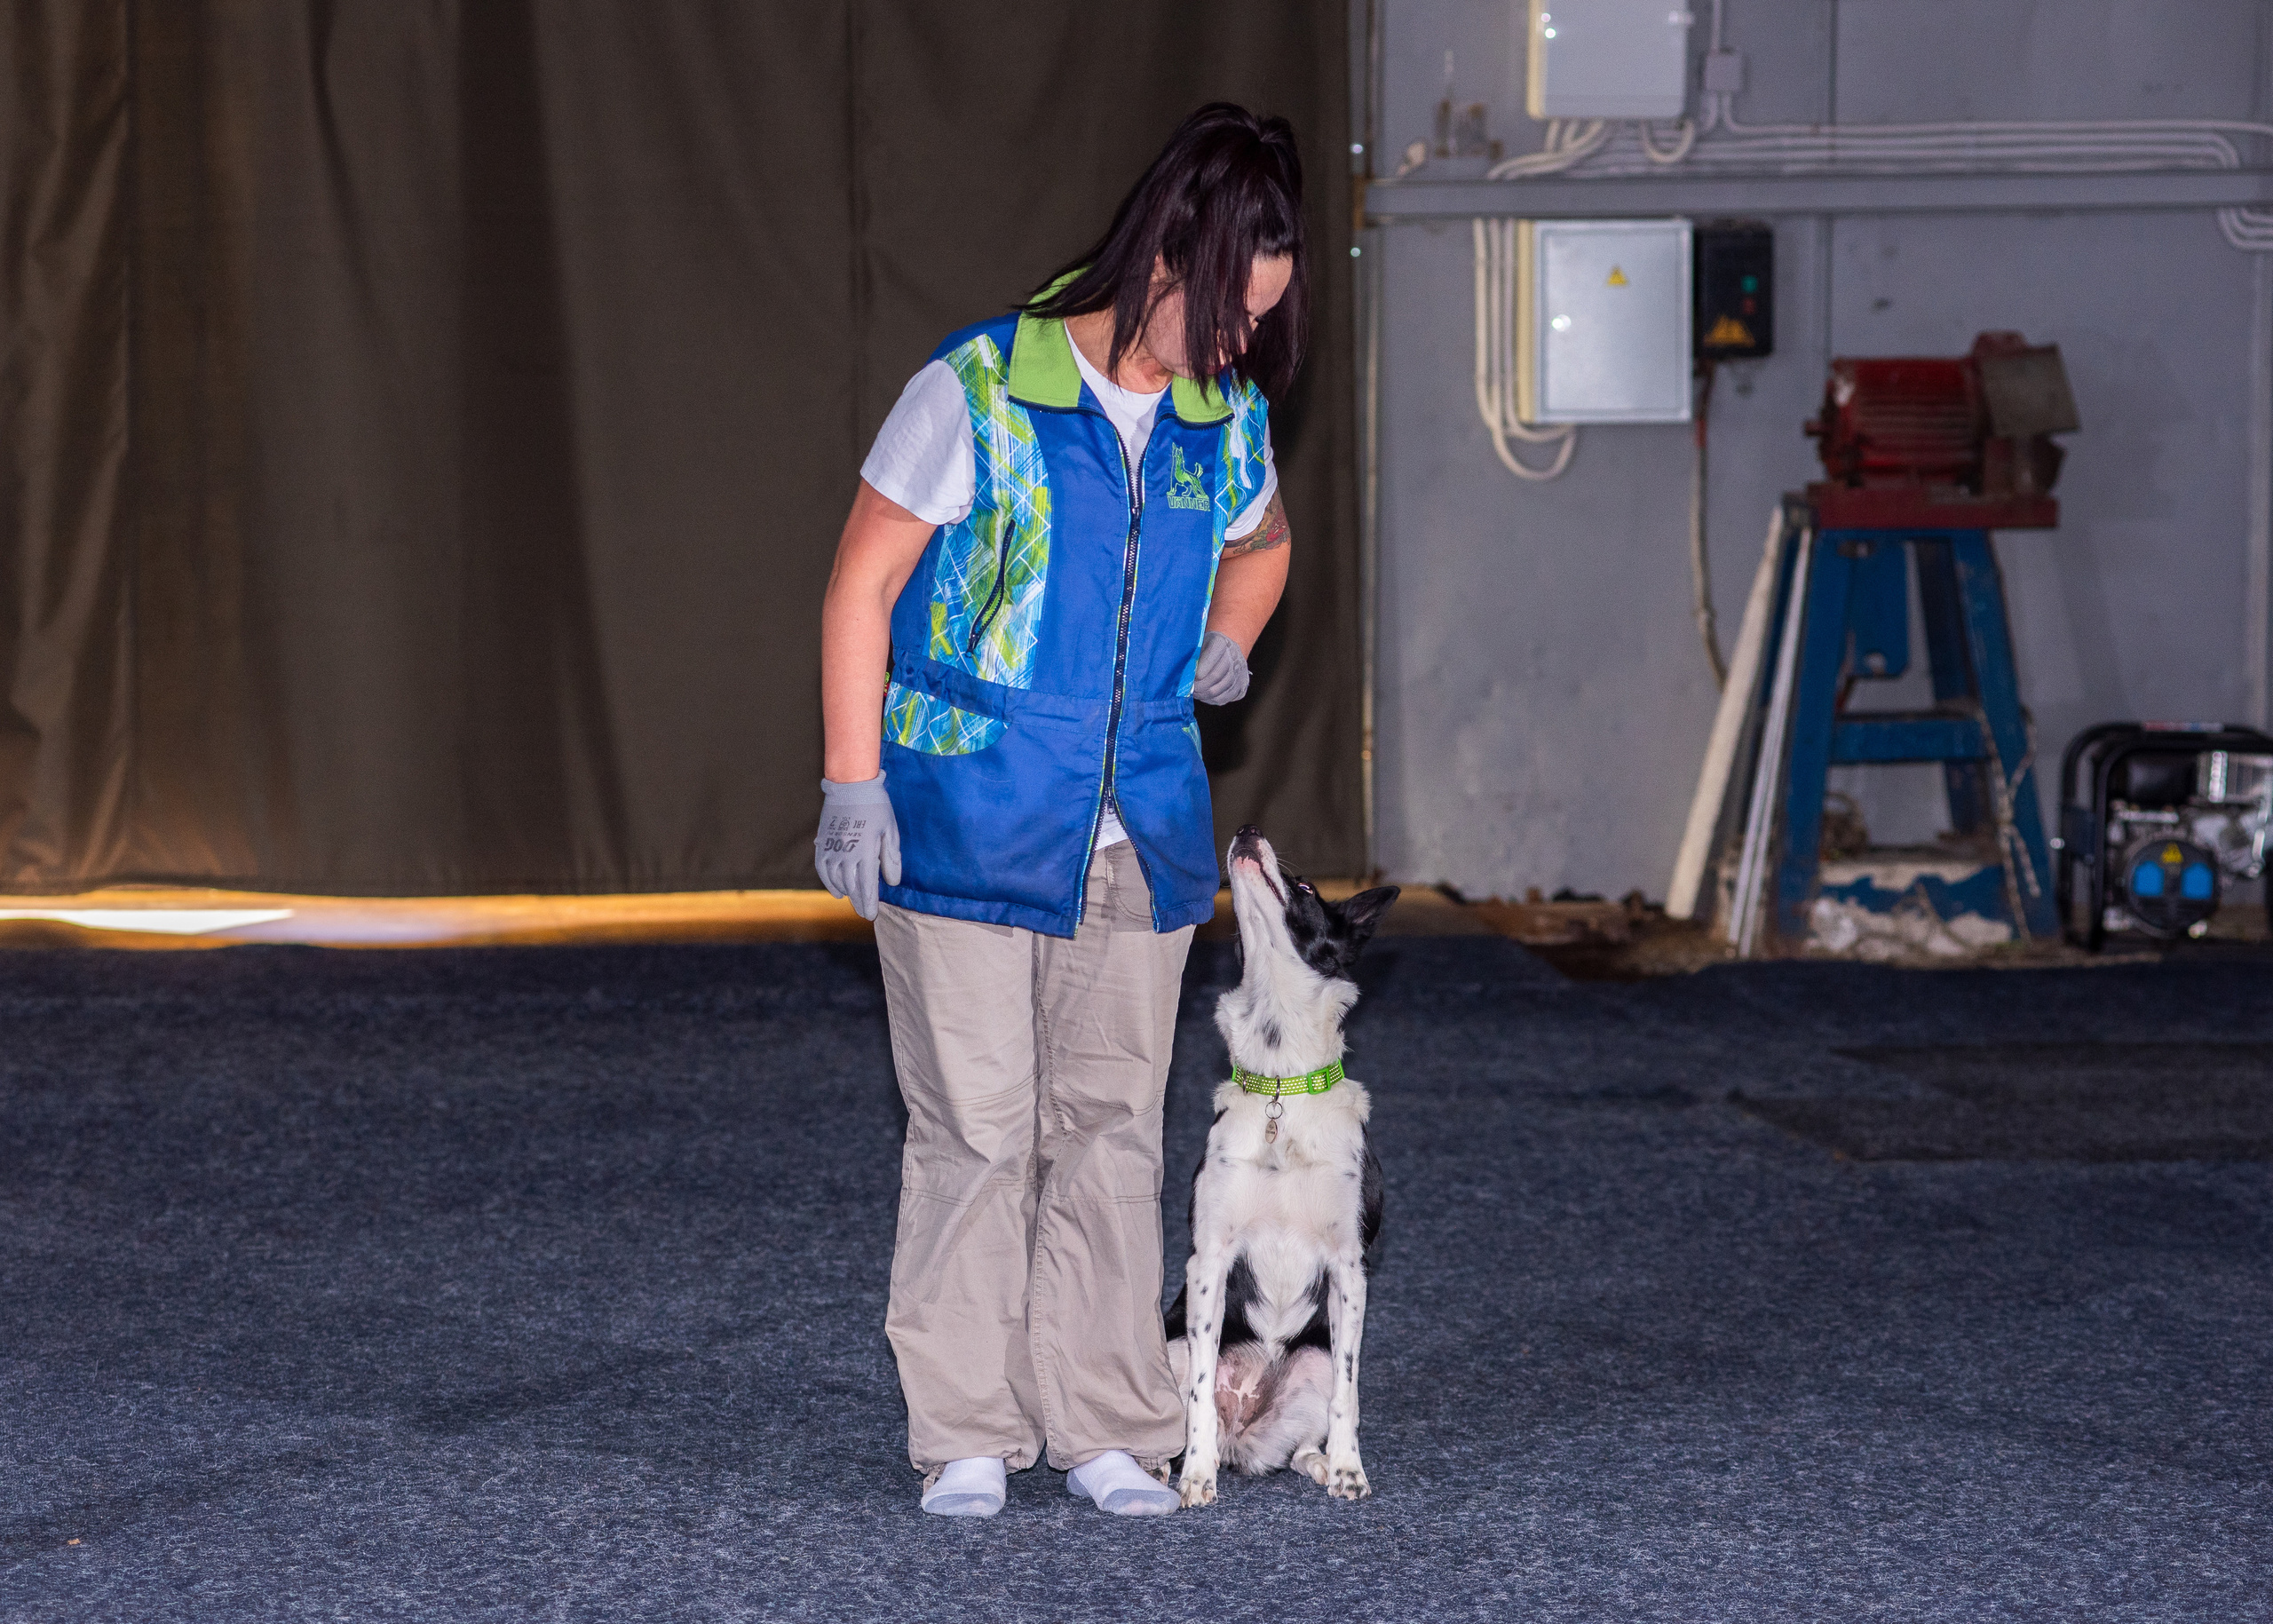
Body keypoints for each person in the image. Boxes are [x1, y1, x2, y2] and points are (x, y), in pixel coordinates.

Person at [814, 103, 1307, 1518]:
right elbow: (861, 584)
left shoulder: (1225, 416)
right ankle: (967, 1425)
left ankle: (1103, 1420)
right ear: (1164, 255)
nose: (1241, 343)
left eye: (1262, 319)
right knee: (977, 1128)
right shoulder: (977, 386)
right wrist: (853, 778)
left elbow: (1267, 544)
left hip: (1139, 831)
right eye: (1228, 309)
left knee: (1109, 1125)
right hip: (966, 821)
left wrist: (1234, 634)